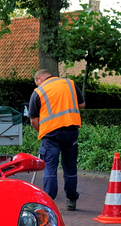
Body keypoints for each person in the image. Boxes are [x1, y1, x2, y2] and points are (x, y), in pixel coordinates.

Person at [28, 69, 85, 211]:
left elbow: (34, 120)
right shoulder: (70, 83)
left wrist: (41, 131)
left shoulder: (39, 91)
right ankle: (71, 199)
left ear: (39, 78)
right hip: (71, 131)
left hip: (50, 135)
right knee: (70, 166)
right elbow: (82, 104)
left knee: (50, 167)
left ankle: (49, 201)